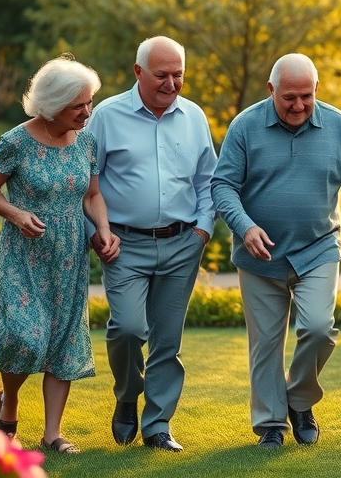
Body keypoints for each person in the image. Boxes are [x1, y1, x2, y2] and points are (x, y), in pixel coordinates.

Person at [211, 52, 341, 449]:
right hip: (259, 255)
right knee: (266, 343)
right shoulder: (245, 126)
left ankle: (300, 400)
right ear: (271, 90)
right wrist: (244, 227)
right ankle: (270, 424)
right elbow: (222, 186)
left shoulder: (338, 126)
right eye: (289, 98)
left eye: (306, 96)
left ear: (317, 89)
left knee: (318, 328)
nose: (298, 105)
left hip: (318, 248)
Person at [0, 56, 121, 455]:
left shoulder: (87, 142)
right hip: (25, 254)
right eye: (79, 105)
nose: (88, 112)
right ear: (53, 104)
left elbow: (92, 195)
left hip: (70, 254)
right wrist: (17, 213)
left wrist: (104, 230)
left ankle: (53, 433)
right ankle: (10, 403)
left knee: (63, 342)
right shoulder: (15, 141)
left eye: (90, 102)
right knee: (25, 336)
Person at [85, 36, 218, 452]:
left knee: (167, 340)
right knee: (127, 329)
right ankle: (127, 395)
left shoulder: (194, 117)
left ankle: (157, 425)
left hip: (183, 242)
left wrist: (203, 230)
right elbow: (85, 183)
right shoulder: (106, 116)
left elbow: (208, 181)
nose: (171, 82)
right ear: (138, 72)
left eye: (178, 74)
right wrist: (97, 232)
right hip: (124, 244)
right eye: (162, 74)